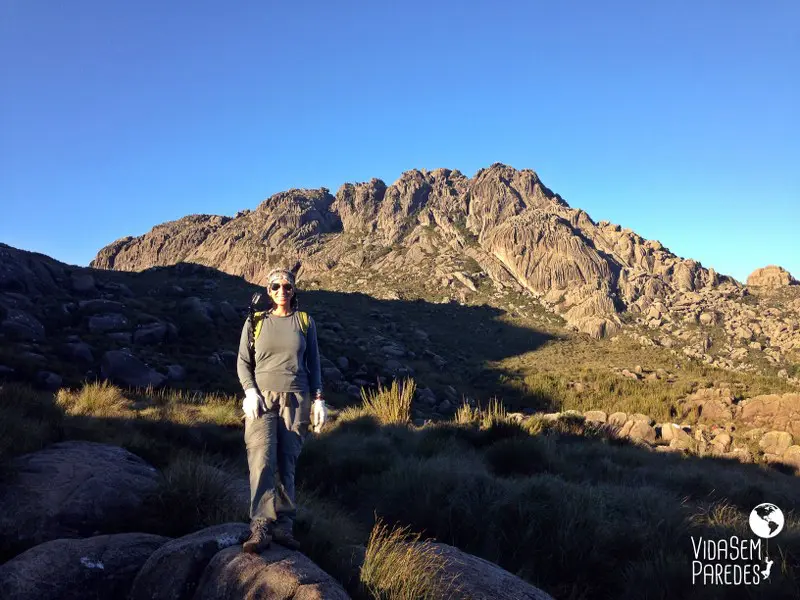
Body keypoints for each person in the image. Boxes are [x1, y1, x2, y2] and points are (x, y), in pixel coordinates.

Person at [236, 262, 327, 553]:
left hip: (296, 400)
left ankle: (284, 525)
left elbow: (314, 364)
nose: (282, 291)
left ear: (294, 289)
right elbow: (242, 362)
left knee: (287, 463)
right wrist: (250, 391)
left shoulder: (304, 322)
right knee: (261, 459)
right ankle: (261, 525)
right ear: (268, 290)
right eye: (276, 286)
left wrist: (318, 399)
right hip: (262, 400)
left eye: (287, 286)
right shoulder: (255, 321)